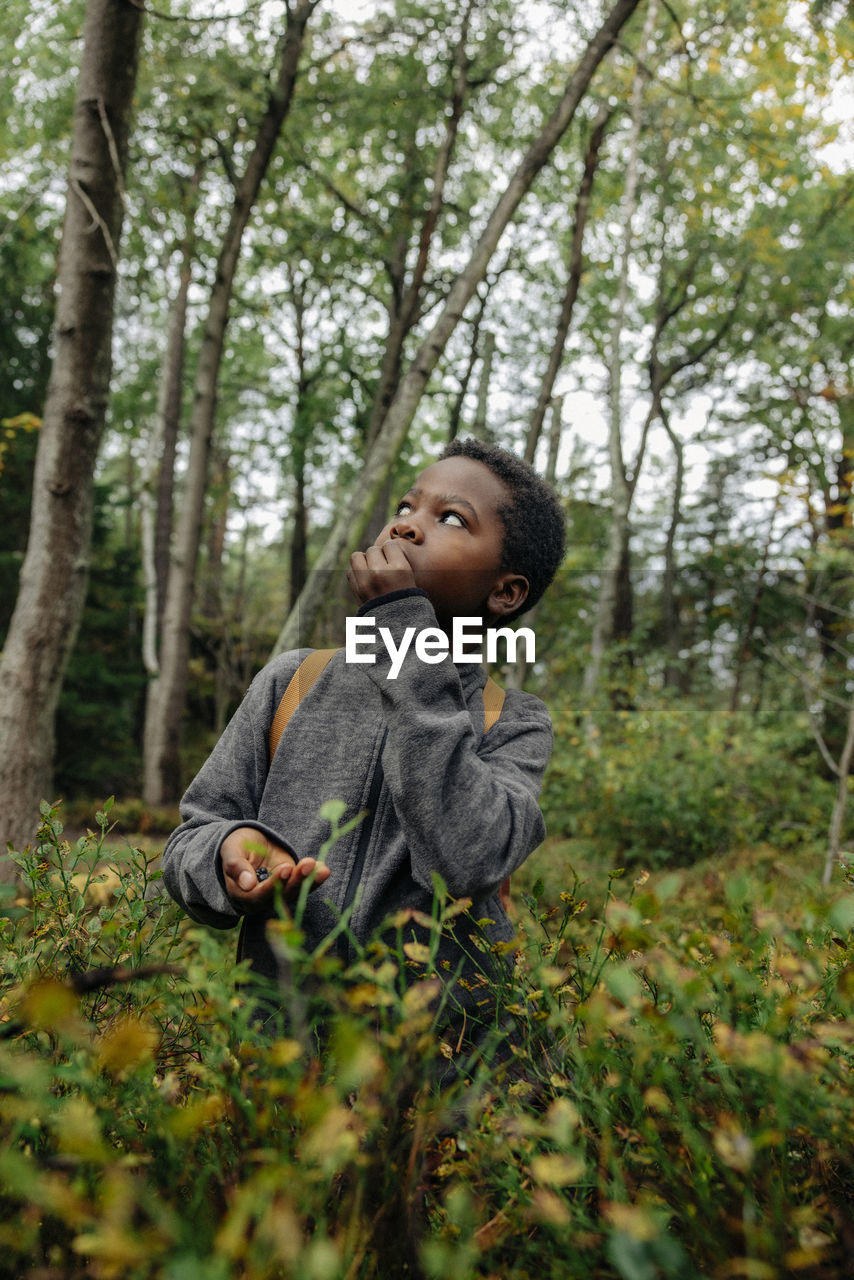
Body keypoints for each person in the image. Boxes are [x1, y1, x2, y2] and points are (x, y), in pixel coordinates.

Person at [161, 437, 566, 1058]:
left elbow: (467, 861)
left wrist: (404, 631)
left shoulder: (513, 722)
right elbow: (192, 835)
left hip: (443, 1083)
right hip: (284, 1067)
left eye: (451, 518)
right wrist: (224, 855)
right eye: (407, 504)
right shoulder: (293, 681)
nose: (407, 525)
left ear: (505, 592)